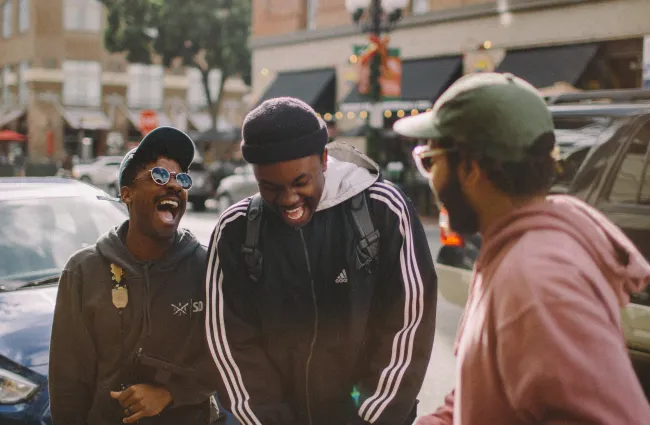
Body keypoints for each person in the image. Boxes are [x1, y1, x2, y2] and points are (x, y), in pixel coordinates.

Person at [392, 72, 650, 425]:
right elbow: (489, 388)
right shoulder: (519, 255)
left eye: (430, 161)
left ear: (471, 168)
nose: (432, 180)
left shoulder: (536, 280)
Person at [205, 97, 437, 425]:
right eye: (269, 187)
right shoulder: (235, 230)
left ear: (324, 159)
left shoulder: (383, 209)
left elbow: (408, 325)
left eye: (301, 182)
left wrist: (367, 418)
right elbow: (231, 346)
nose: (288, 200)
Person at [49, 127, 220, 425]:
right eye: (158, 177)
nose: (173, 186)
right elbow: (67, 387)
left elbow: (229, 360)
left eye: (181, 179)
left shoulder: (207, 267)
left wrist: (169, 393)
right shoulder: (83, 272)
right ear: (127, 194)